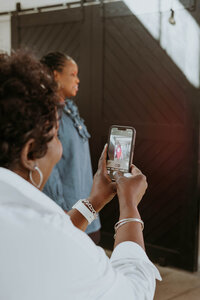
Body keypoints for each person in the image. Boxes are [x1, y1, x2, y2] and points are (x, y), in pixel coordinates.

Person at [0, 50, 161, 300]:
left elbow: (50, 240)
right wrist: (129, 205)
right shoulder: (56, 243)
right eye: (54, 136)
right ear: (30, 152)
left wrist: (94, 201)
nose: (59, 146)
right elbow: (133, 293)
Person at [40, 52, 101, 243]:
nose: (78, 79)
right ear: (55, 75)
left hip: (86, 205)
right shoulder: (47, 114)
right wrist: (60, 206)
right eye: (72, 74)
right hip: (67, 212)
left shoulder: (68, 110)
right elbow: (47, 165)